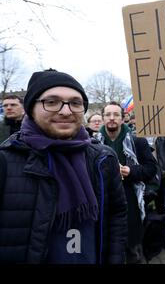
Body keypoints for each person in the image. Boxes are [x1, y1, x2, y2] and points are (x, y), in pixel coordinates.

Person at [0, 69, 127, 263]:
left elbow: (116, 217)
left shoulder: (103, 159)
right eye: (51, 102)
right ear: (31, 109)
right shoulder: (6, 162)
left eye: (75, 103)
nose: (66, 111)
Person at [96, 101, 158, 264]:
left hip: (130, 199)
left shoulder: (138, 141)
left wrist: (131, 171)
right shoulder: (93, 143)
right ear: (103, 118)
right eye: (108, 114)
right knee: (108, 244)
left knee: (133, 247)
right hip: (104, 200)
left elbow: (151, 169)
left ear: (123, 118)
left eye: (116, 115)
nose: (111, 118)